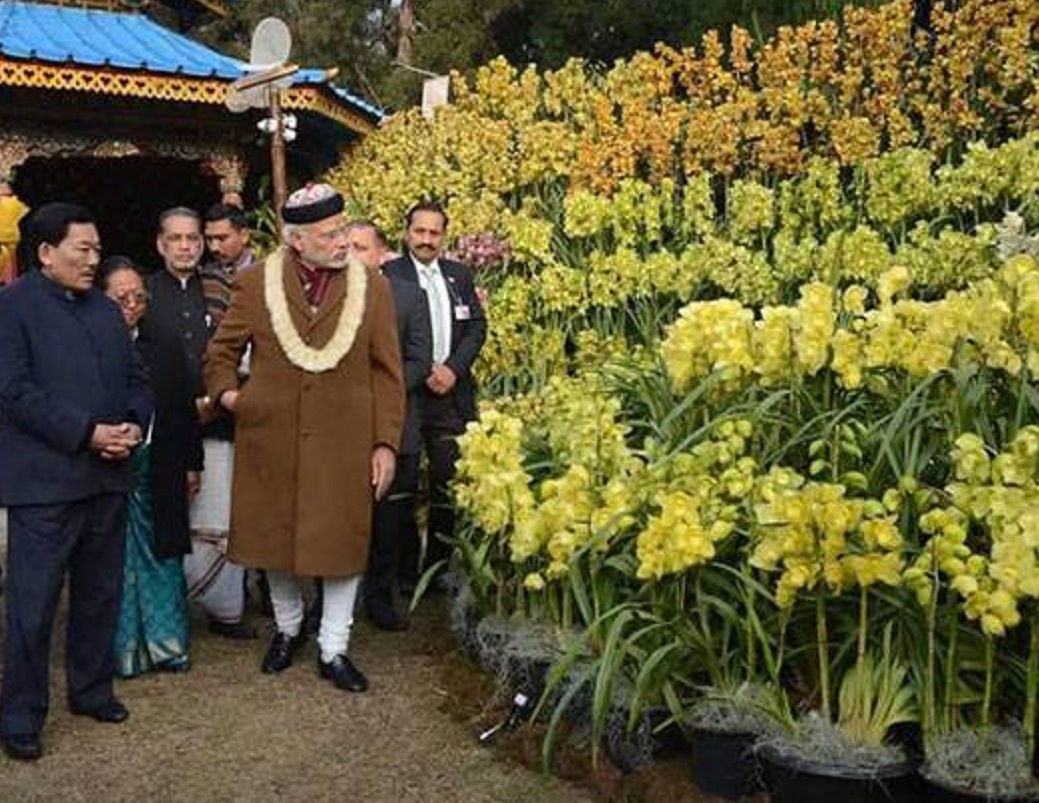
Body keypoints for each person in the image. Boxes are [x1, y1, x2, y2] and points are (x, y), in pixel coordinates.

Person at [205, 183, 403, 692]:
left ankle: (334, 647)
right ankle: (288, 629)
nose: (343, 241)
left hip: (345, 442)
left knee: (341, 541)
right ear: (297, 241)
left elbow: (387, 373)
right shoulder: (254, 283)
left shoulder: (372, 286)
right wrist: (232, 399)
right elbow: (220, 355)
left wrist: (384, 443)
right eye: (329, 234)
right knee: (277, 540)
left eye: (343, 229)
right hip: (271, 439)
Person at [0, 203, 152, 760]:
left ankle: (91, 690)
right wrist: (87, 432)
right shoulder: (11, 308)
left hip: (107, 479)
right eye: (81, 250)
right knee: (32, 606)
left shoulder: (106, 311)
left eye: (96, 249)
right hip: (44, 486)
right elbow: (14, 392)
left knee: (98, 596)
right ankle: (20, 715)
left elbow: (137, 378)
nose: (93, 260)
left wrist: (134, 422)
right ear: (45, 252)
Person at [139, 207, 252, 639]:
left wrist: (215, 398)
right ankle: (167, 612)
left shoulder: (223, 288)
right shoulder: (145, 294)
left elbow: (244, 349)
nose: (186, 247)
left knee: (220, 520)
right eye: (177, 239)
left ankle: (226, 612)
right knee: (169, 519)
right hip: (164, 426)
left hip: (217, 421)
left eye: (193, 239)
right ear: (161, 244)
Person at [97, 256, 196, 676]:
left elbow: (183, 409)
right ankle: (122, 653)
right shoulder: (85, 345)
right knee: (112, 562)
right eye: (121, 298)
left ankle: (166, 646)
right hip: (106, 468)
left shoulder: (166, 343)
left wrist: (193, 462)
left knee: (163, 555)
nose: (131, 305)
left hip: (161, 464)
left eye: (139, 297)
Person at [383, 202, 487, 581]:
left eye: (434, 233)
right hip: (408, 395)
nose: (426, 240)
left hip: (450, 395)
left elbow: (476, 327)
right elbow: (384, 337)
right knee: (403, 486)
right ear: (407, 232)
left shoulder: (459, 274)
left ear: (444, 236)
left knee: (449, 483)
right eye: (420, 231)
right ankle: (405, 569)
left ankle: (439, 569)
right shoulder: (388, 274)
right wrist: (423, 370)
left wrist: (452, 370)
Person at [347, 221, 432, 630]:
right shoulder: (328, 297)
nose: (352, 255)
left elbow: (420, 358)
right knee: (337, 517)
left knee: (389, 523)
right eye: (345, 247)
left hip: (397, 422)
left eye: (361, 248)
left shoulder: (408, 296)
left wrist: (378, 388)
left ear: (382, 254)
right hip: (341, 427)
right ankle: (327, 603)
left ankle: (380, 598)